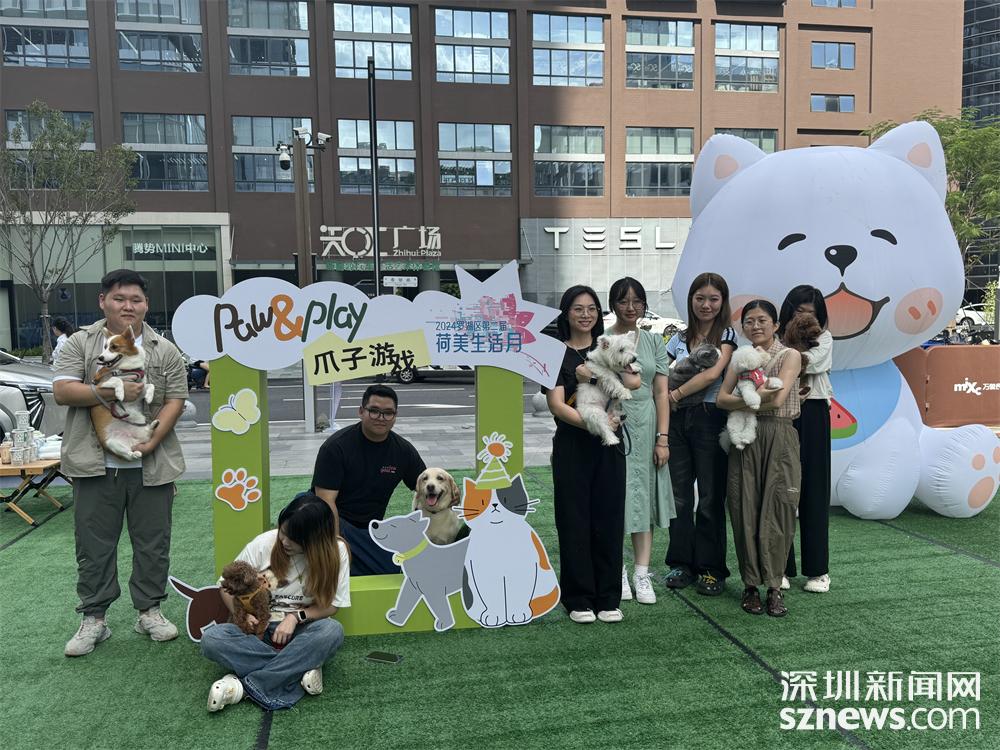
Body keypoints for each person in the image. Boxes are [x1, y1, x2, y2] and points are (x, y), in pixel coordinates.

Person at [53, 269, 188, 656]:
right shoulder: (81, 342)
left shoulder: (164, 348)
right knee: (93, 544)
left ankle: (149, 611)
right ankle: (94, 618)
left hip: (152, 464)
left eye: (136, 300)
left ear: (146, 304)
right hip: (94, 464)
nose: (128, 306)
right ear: (103, 301)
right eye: (119, 298)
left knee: (153, 543)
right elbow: (63, 391)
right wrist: (110, 391)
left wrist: (152, 441)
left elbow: (176, 399)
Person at [201, 493, 349, 712]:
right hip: (256, 631)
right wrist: (244, 616)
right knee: (212, 639)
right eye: (283, 532)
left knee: (331, 631)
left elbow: (332, 606)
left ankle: (243, 687)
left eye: (294, 538)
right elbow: (225, 587)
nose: (284, 541)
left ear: (315, 539)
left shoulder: (336, 551)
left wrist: (295, 617)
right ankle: (299, 668)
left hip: (301, 630)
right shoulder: (264, 543)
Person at [544, 285, 639, 624]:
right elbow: (556, 404)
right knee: (574, 520)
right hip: (573, 444)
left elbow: (633, 382)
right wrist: (594, 425)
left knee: (609, 519)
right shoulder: (554, 353)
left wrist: (596, 379)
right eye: (578, 308)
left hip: (609, 448)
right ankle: (579, 598)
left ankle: (608, 597)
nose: (585, 315)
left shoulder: (611, 345)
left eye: (591, 309)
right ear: (566, 313)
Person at [589, 277, 673, 605]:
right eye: (623, 301)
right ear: (612, 304)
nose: (630, 307)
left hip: (647, 423)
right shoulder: (603, 340)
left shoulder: (653, 341)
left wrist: (662, 438)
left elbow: (661, 393)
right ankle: (618, 571)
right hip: (612, 422)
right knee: (616, 498)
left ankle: (642, 572)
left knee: (644, 498)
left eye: (637, 301)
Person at [717, 300, 802, 618]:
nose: (755, 326)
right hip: (745, 436)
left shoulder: (789, 355)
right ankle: (750, 585)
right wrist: (750, 401)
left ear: (776, 325)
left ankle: (775, 586)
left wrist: (742, 401)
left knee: (779, 509)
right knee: (744, 508)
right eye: (749, 321)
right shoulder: (740, 358)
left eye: (762, 320)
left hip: (779, 434)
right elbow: (720, 400)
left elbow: (778, 400)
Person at [663, 273, 738, 596]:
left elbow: (712, 374)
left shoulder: (728, 336)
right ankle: (681, 563)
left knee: (709, 496)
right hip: (676, 421)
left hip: (710, 418)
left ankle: (711, 569)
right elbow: (662, 372)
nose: (706, 305)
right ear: (691, 300)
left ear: (723, 302)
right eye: (700, 298)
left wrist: (675, 395)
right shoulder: (677, 338)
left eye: (713, 299)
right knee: (678, 496)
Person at [310, 384, 425, 575]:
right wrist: (336, 547)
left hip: (371, 530)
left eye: (388, 413)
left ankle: (348, 561)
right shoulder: (336, 447)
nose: (381, 418)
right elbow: (325, 502)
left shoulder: (403, 451)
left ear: (395, 416)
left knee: (394, 567)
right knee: (305, 510)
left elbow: (426, 487)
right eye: (374, 411)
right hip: (334, 522)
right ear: (361, 411)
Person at [778, 285, 834, 594]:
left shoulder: (824, 338)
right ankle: (780, 566)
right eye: (799, 311)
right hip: (781, 412)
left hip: (813, 412)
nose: (804, 318)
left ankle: (818, 570)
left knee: (814, 488)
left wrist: (785, 359)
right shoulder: (776, 338)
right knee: (781, 489)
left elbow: (812, 362)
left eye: (811, 313)